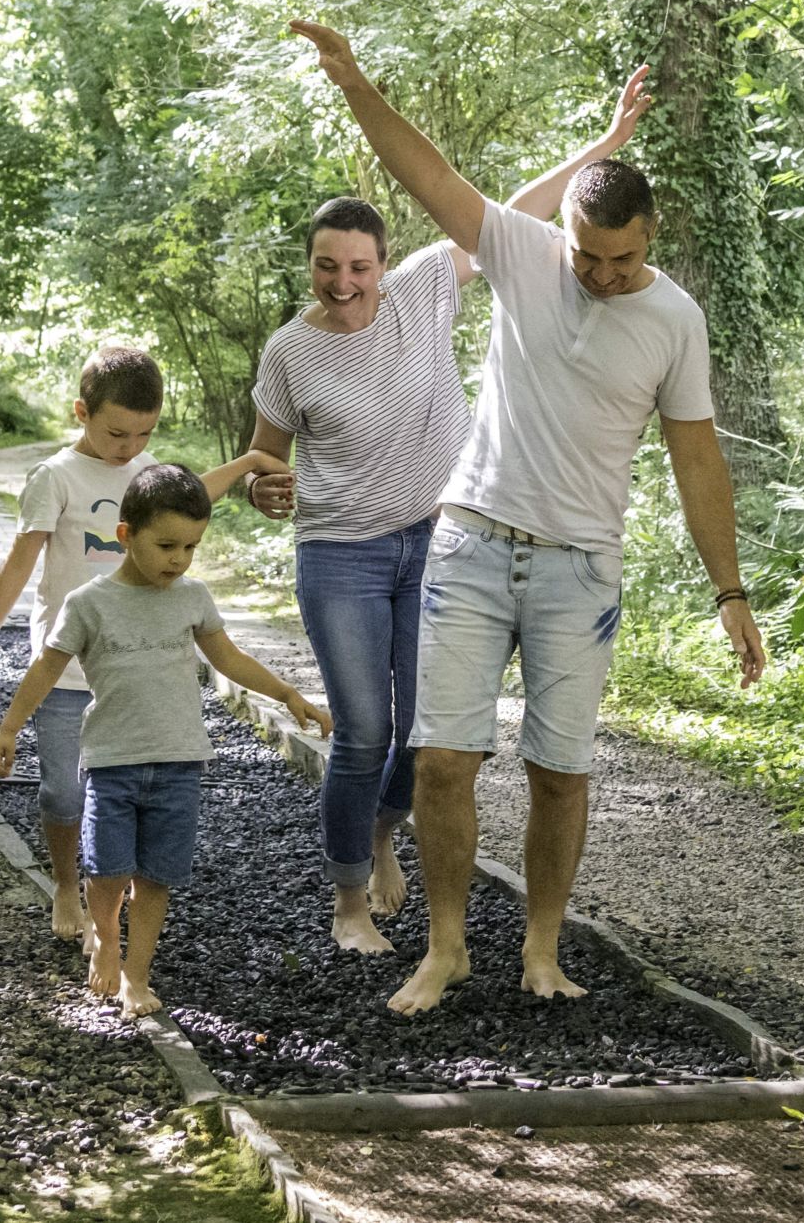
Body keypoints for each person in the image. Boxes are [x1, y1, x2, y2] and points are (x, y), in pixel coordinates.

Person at [290, 20, 767, 1015]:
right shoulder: (523, 253)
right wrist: (354, 82)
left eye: (619, 261)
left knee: (559, 769)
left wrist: (729, 591)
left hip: (578, 568)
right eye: (586, 256)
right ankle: (448, 945)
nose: (597, 276)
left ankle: (542, 948)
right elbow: (427, 175)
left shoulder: (674, 319)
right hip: (470, 538)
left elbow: (696, 458)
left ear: (651, 238)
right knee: (440, 760)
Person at [241, 77, 654, 955]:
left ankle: (385, 837)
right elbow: (264, 459)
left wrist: (603, 144)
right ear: (310, 265)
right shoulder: (289, 349)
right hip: (340, 555)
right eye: (328, 267)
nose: (344, 283)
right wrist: (261, 487)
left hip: (437, 542)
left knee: (428, 735)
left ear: (384, 264)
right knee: (364, 729)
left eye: (359, 267)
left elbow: (514, 212)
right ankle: (349, 899)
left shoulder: (428, 286)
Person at [0, 463, 332, 1018]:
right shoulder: (88, 604)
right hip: (112, 763)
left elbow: (229, 658)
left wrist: (289, 695)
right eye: (167, 544)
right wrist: (9, 729)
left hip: (179, 764)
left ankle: (137, 975)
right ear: (125, 536)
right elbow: (46, 670)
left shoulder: (191, 598)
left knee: (155, 878)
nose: (179, 559)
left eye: (191, 547)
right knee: (106, 871)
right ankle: (104, 937)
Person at [0, 346, 244, 947]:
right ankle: (66, 882)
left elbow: (194, 495)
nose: (131, 448)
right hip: (65, 663)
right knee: (65, 789)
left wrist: (249, 462)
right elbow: (18, 566)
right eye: (118, 432)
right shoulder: (55, 478)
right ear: (81, 412)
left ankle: (111, 904)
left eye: (145, 433)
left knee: (125, 788)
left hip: (133, 665)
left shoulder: (148, 472)